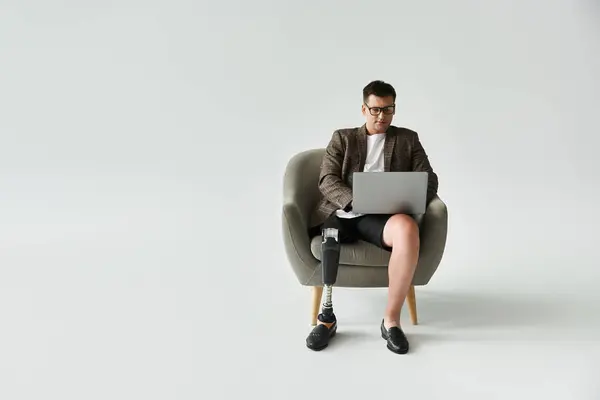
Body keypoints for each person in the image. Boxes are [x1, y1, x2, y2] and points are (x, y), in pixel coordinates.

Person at [305, 80, 439, 354]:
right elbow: (327, 179)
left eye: (388, 110)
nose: (382, 116)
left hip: (382, 216)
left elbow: (429, 179)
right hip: (343, 212)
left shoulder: (407, 139)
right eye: (376, 110)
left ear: (394, 109)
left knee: (407, 229)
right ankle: (326, 318)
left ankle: (391, 322)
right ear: (364, 109)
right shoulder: (342, 138)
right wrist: (355, 200)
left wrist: (406, 200)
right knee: (329, 239)